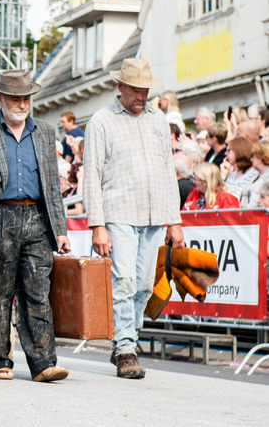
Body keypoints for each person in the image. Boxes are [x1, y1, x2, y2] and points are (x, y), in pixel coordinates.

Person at [0, 69, 70, 383]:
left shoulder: (45, 131)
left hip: (36, 217)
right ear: (1, 98)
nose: (22, 103)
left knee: (38, 292)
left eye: (26, 97)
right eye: (15, 98)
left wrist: (60, 230)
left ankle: (43, 363)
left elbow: (51, 186)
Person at [83, 58, 184, 379]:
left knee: (142, 285)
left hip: (154, 215)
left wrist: (175, 220)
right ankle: (126, 347)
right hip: (119, 212)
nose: (142, 96)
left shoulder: (158, 120)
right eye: (136, 90)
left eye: (146, 90)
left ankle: (127, 340)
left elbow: (169, 172)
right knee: (124, 281)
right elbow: (92, 175)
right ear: (121, 87)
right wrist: (97, 224)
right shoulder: (101, 121)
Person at [239, 141, 269, 207]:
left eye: (253, 155)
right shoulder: (255, 178)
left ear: (261, 156)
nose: (251, 159)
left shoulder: (267, 179)